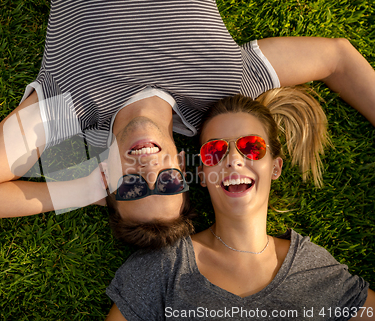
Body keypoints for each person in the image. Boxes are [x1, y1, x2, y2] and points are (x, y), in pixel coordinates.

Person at [0, 0, 375, 246]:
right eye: (166, 182)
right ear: (185, 169)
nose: (148, 168)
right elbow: (337, 57)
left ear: (106, 178)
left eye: (133, 186)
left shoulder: (70, 107)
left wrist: (79, 190)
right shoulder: (224, 88)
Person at [105, 89, 375, 320]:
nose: (233, 159)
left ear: (275, 167)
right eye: (215, 151)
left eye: (252, 146)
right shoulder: (163, 266)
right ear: (201, 174)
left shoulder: (314, 270)